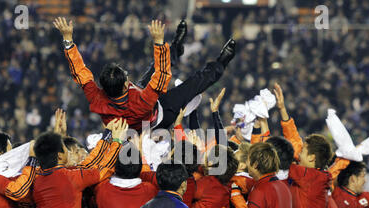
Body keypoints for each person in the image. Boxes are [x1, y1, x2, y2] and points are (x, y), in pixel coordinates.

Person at [54, 17, 236, 132]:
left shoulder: (97, 99)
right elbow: (163, 74)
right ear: (126, 84)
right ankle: (221, 63)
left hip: (138, 110)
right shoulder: (141, 101)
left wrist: (68, 41)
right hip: (160, 115)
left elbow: (80, 73)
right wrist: (158, 43)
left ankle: (176, 47)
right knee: (194, 83)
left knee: (153, 67)